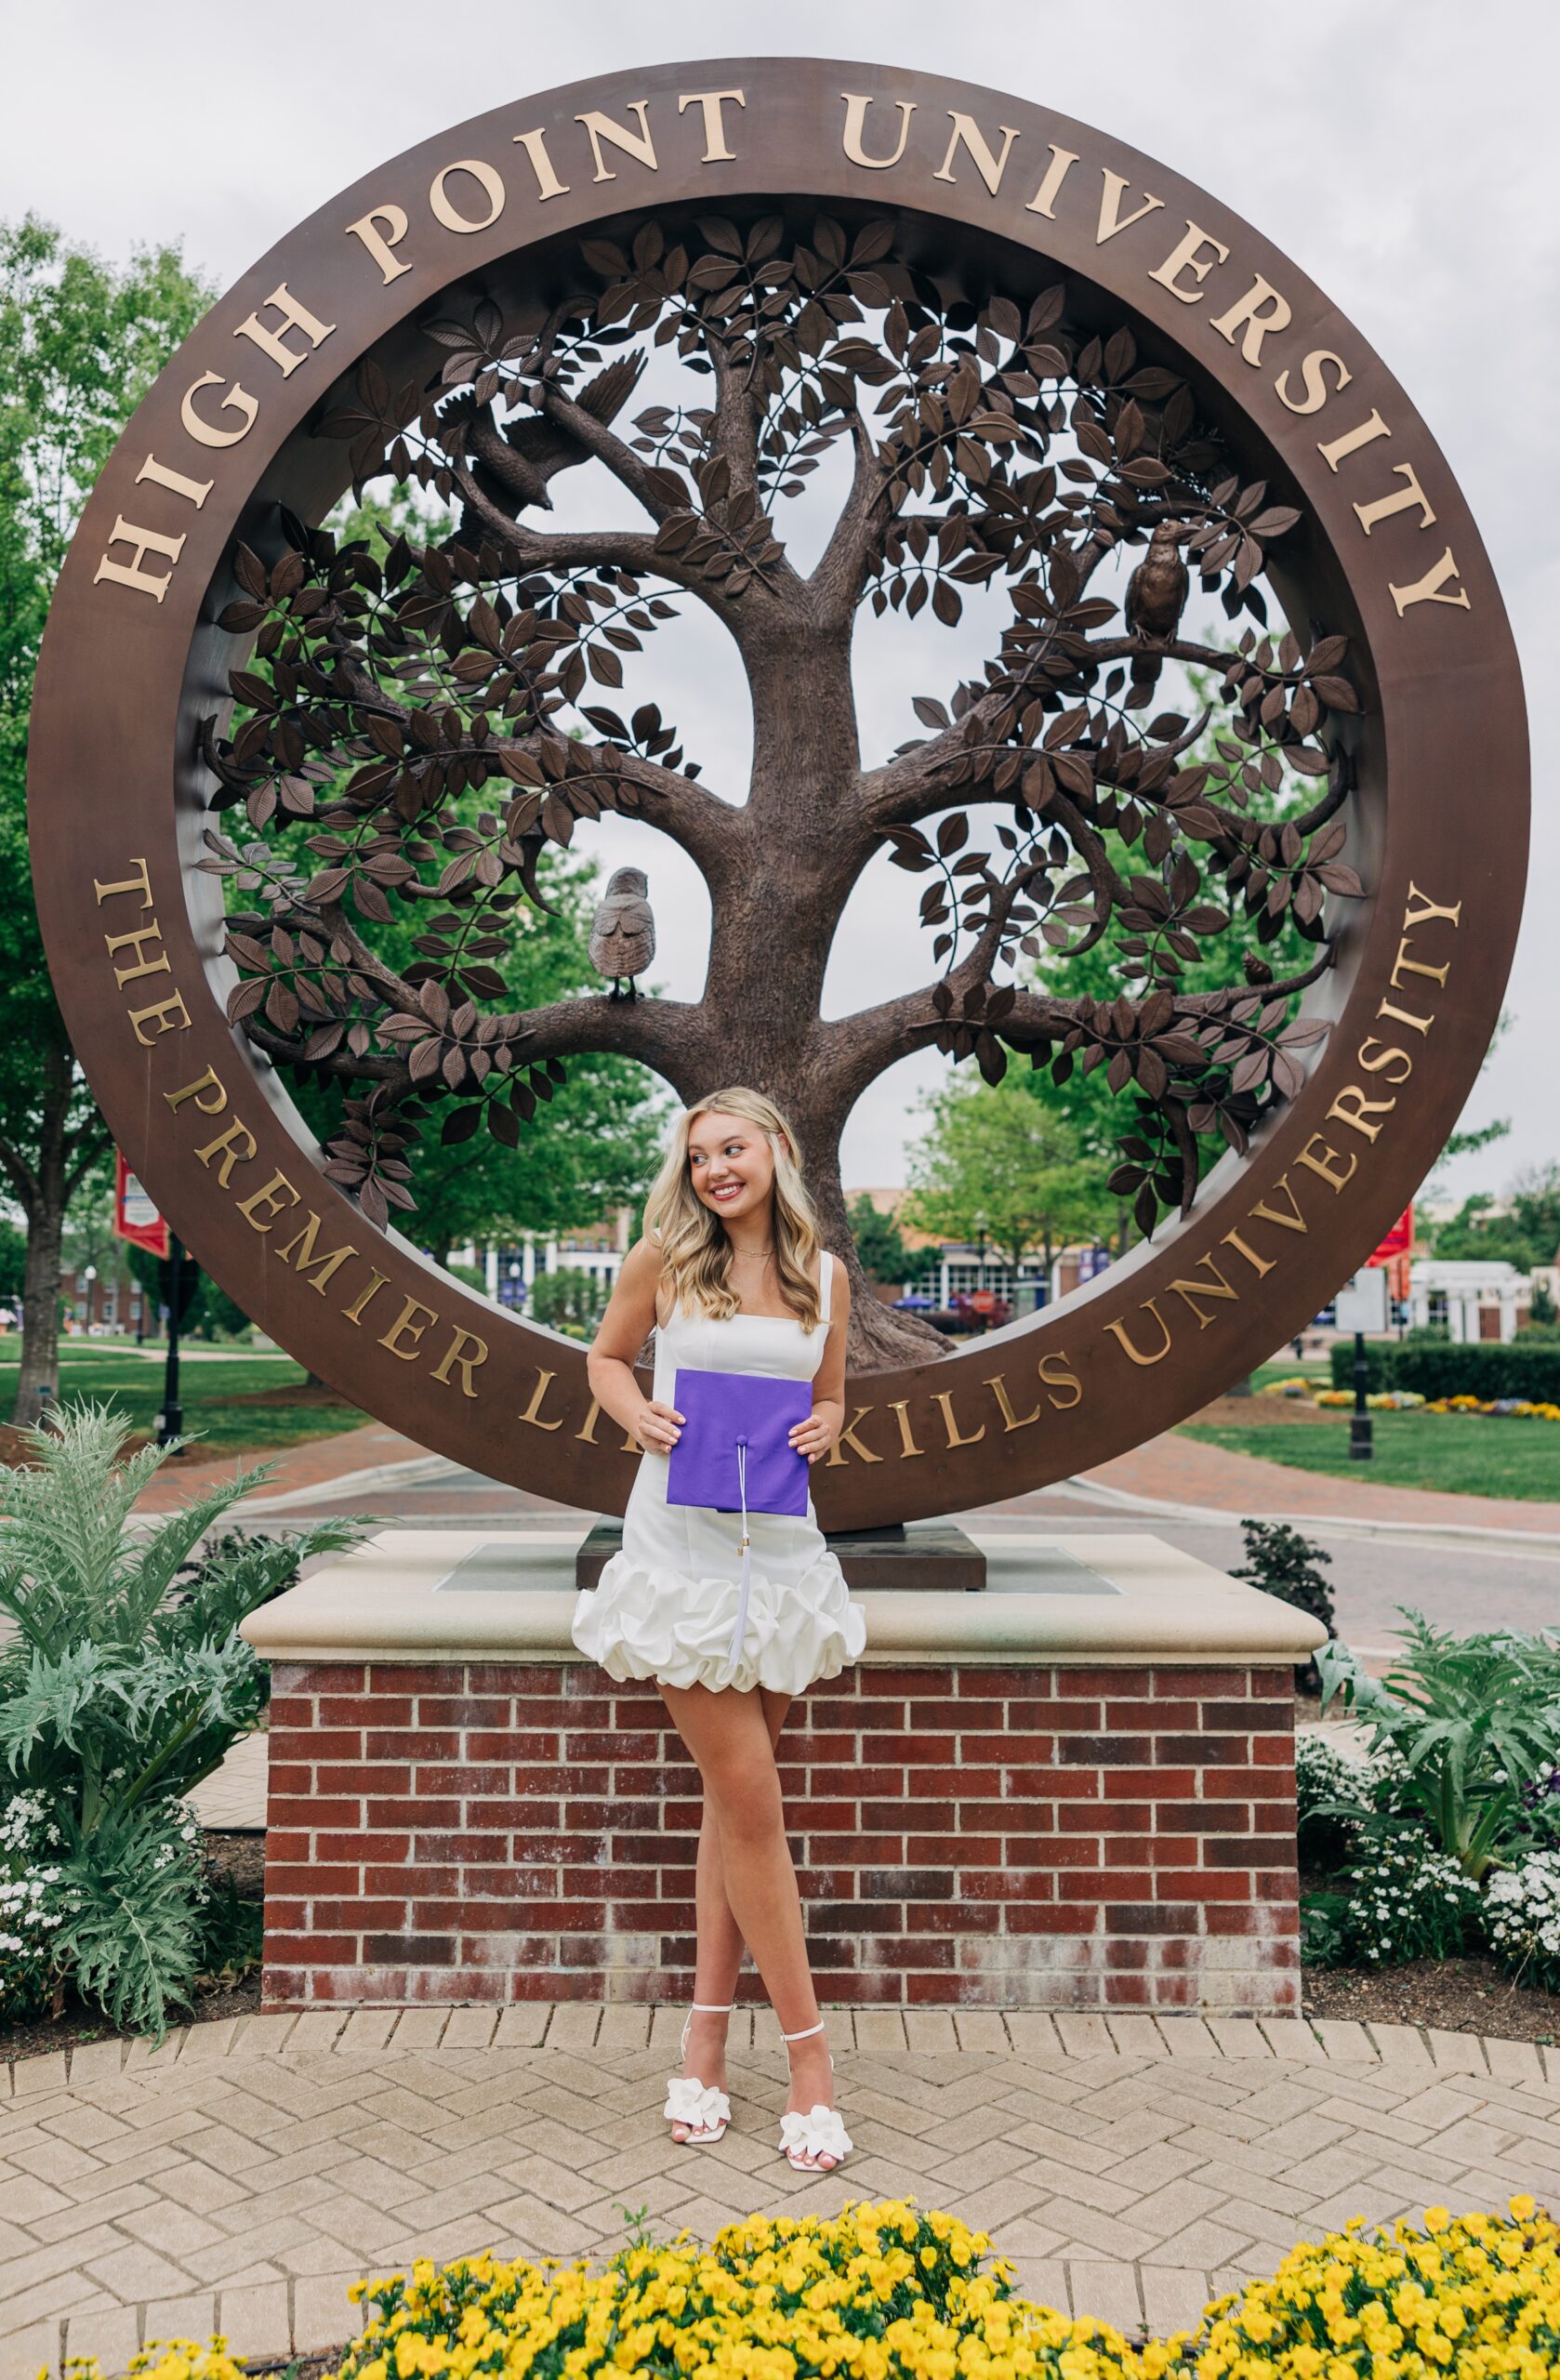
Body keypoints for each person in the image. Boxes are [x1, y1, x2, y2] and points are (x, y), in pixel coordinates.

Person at [573, 1087, 863, 2173]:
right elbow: (605, 1358)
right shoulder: (663, 1261)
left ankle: (701, 2042)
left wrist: (829, 1423)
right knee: (754, 1806)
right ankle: (809, 2066)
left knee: (729, 1815)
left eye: (731, 1150)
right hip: (683, 1567)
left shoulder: (826, 1279)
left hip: (781, 1567)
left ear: (775, 1151)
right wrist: (632, 1409)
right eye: (698, 1156)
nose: (713, 1171)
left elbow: (830, 1400)